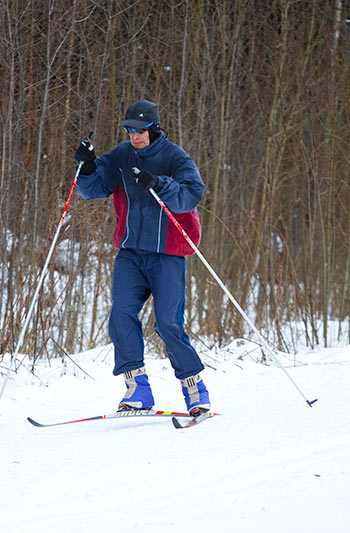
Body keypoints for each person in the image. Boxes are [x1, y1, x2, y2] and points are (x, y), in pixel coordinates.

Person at [73, 99, 211, 416]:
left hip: (167, 255)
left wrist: (159, 183)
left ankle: (195, 390)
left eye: (141, 131)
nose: (135, 136)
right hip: (131, 253)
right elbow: (93, 189)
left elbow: (192, 193)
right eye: (130, 130)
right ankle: (138, 390)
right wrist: (88, 166)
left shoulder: (175, 157)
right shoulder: (122, 155)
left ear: (154, 128)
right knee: (121, 314)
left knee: (167, 324)